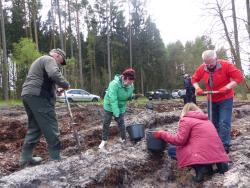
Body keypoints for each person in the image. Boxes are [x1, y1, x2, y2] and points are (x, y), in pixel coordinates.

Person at [154, 103, 230, 182]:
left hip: (200, 154)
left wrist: (163, 134)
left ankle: (199, 167)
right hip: (217, 154)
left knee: (171, 150)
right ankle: (209, 167)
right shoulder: (207, 120)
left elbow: (179, 140)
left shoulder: (186, 120)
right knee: (201, 146)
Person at [19, 48, 70, 167]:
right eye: (60, 61)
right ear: (57, 55)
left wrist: (55, 90)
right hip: (39, 97)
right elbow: (53, 74)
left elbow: (43, 79)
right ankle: (56, 157)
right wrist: (66, 84)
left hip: (29, 95)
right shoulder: (49, 59)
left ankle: (25, 159)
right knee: (51, 126)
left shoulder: (40, 61)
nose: (59, 64)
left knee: (35, 128)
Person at [191, 50, 243, 153]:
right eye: (207, 63)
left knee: (223, 122)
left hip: (226, 98)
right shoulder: (202, 68)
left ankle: (224, 147)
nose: (209, 65)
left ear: (216, 58)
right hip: (211, 98)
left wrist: (227, 87)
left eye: (211, 62)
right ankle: (214, 143)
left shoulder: (226, 65)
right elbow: (194, 80)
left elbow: (238, 77)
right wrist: (197, 88)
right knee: (212, 123)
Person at [98, 68, 135, 150]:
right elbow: (113, 100)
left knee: (121, 123)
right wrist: (116, 113)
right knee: (106, 123)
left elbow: (129, 94)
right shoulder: (114, 84)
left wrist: (131, 97)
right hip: (110, 105)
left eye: (132, 83)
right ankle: (104, 140)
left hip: (121, 106)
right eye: (130, 82)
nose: (131, 84)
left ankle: (123, 139)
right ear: (126, 79)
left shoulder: (130, 85)